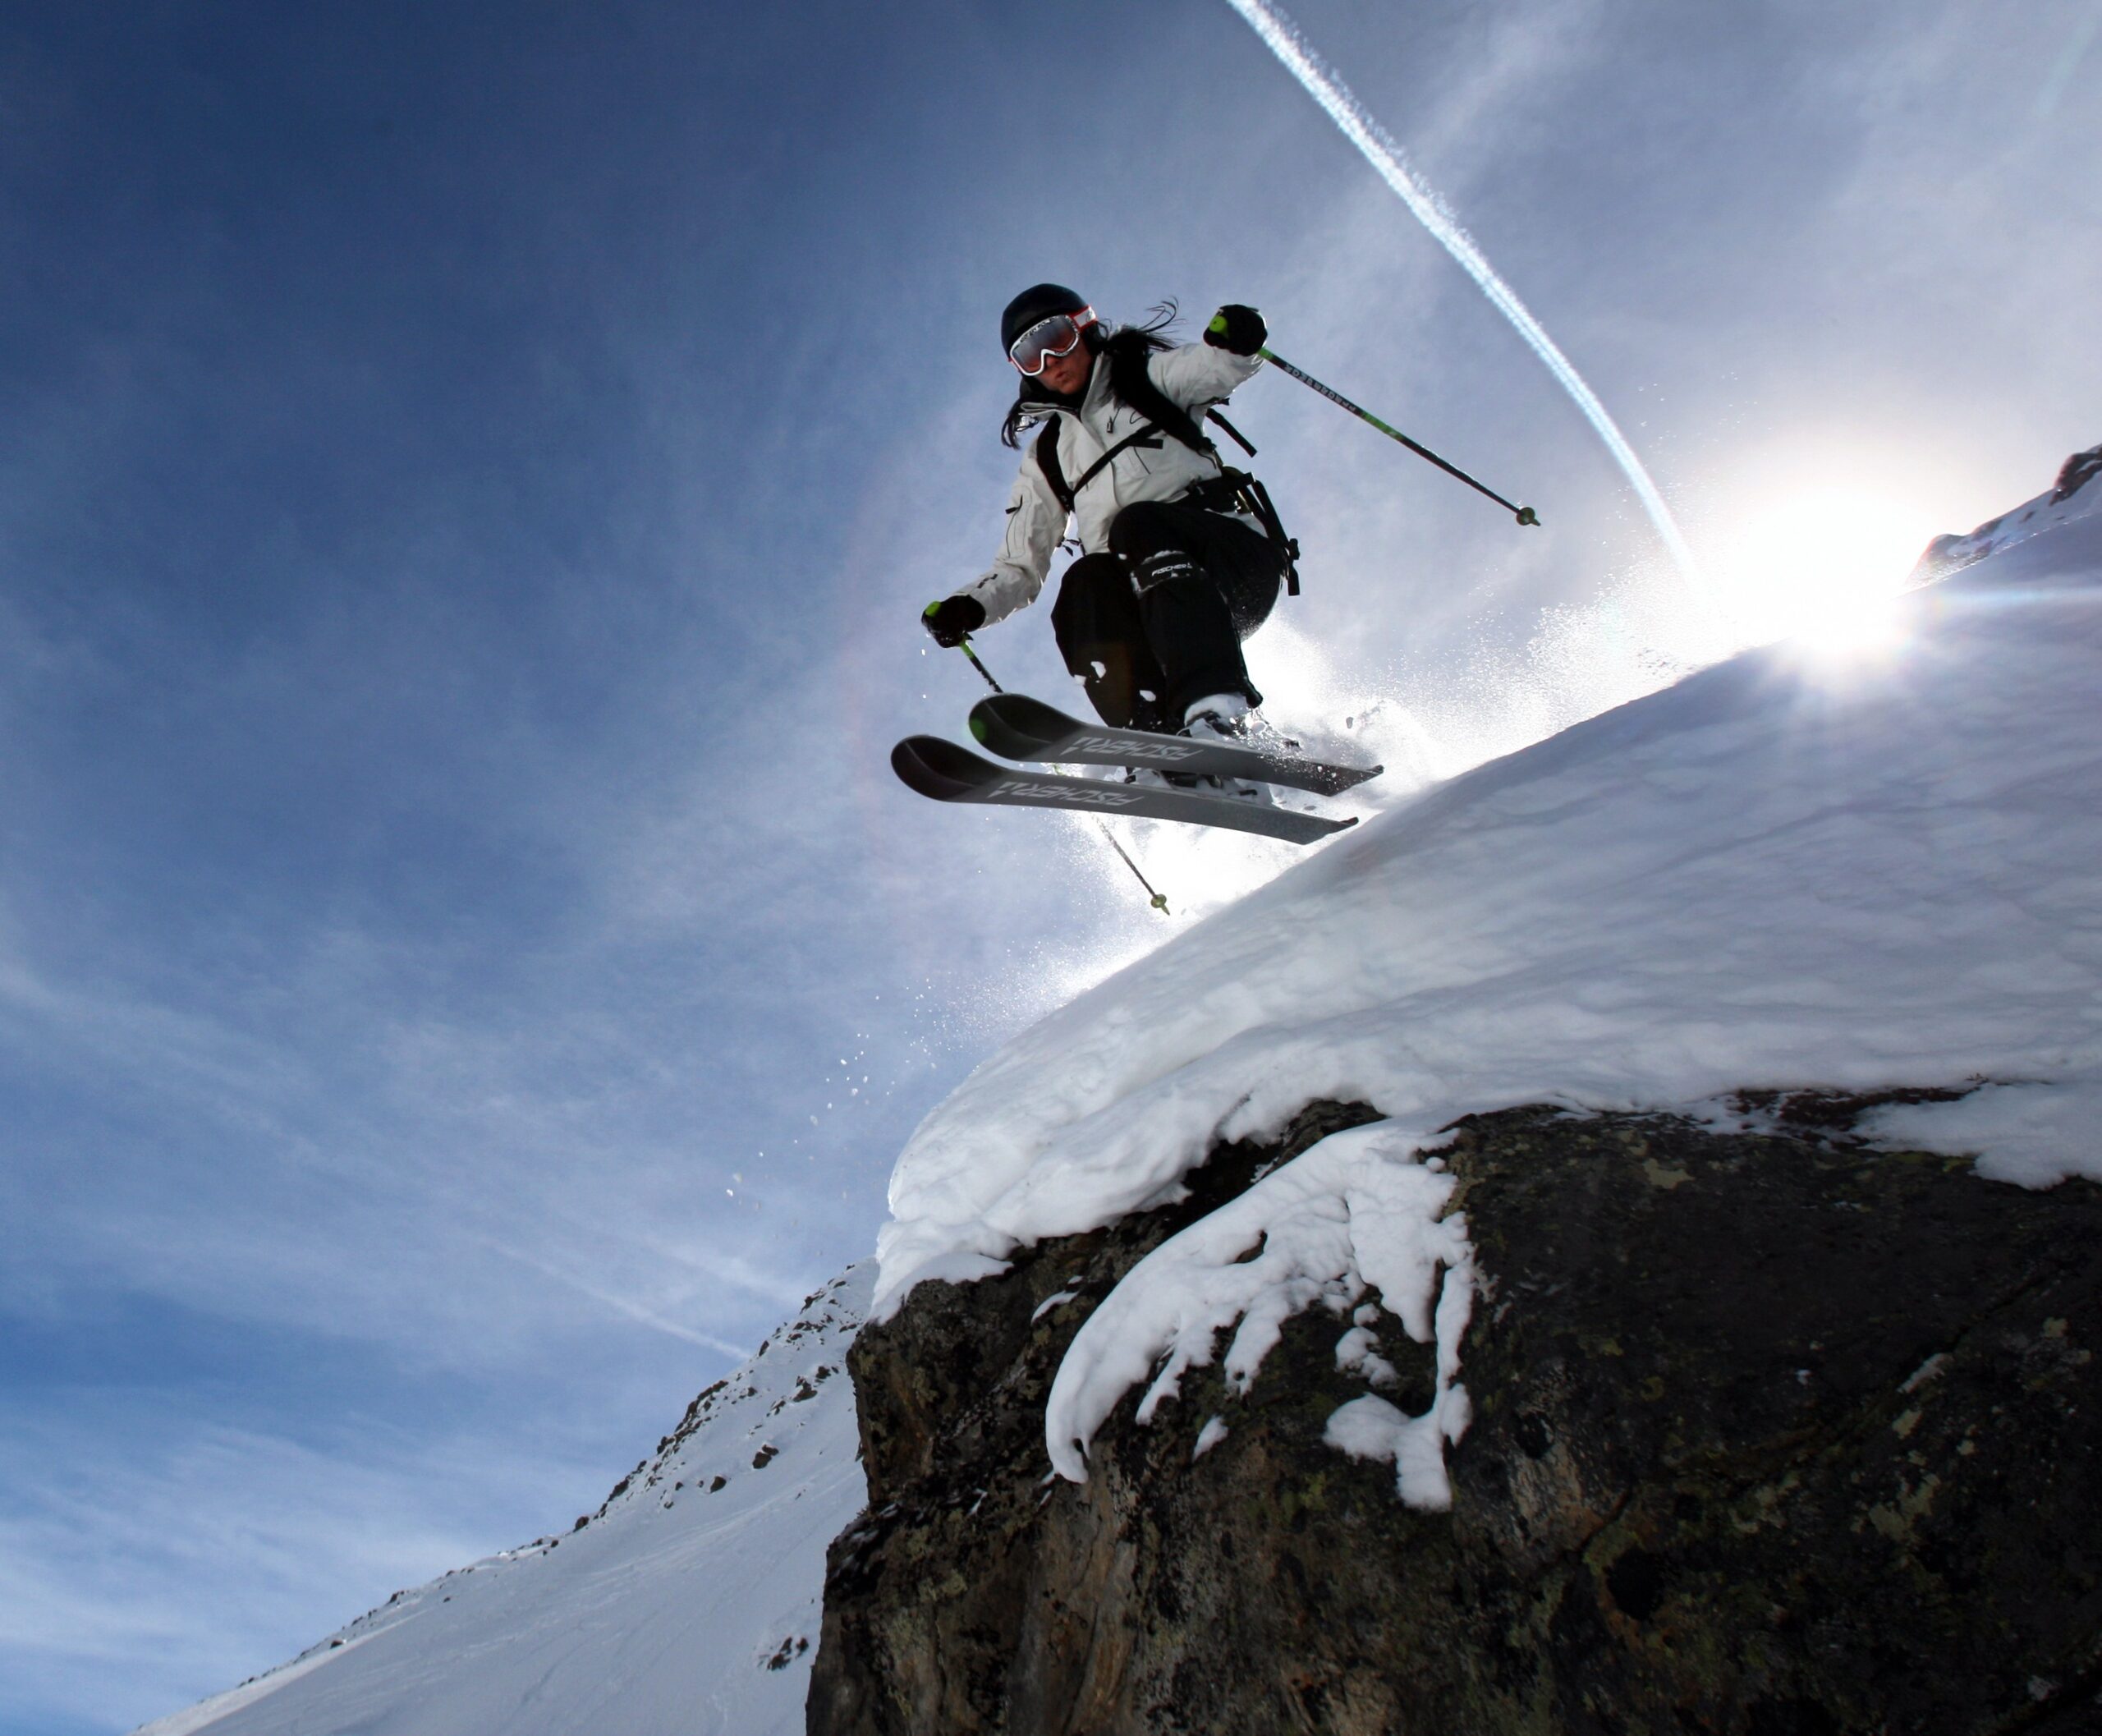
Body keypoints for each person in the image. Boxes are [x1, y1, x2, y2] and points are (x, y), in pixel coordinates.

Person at [921, 283, 1290, 789]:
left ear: (1085, 327)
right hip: (1159, 611)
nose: (1049, 359)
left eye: (1055, 337)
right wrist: (971, 606)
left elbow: (1214, 366)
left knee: (1136, 524)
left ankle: (1220, 712)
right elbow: (1020, 567)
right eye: (1030, 355)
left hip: (1231, 563)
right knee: (1085, 583)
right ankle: (1159, 744)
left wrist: (1238, 339)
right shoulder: (1048, 456)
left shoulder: (1145, 378)